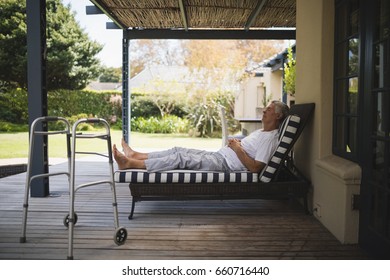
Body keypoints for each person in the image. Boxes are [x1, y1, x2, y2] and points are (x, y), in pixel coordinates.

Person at [113, 100, 289, 173]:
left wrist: (236, 148)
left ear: (278, 116)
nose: (264, 110)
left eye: (269, 109)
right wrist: (238, 144)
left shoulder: (271, 138)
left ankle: (130, 163)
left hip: (225, 164)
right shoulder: (261, 132)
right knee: (178, 149)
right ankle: (135, 155)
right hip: (220, 156)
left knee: (180, 158)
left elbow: (256, 167)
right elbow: (249, 150)